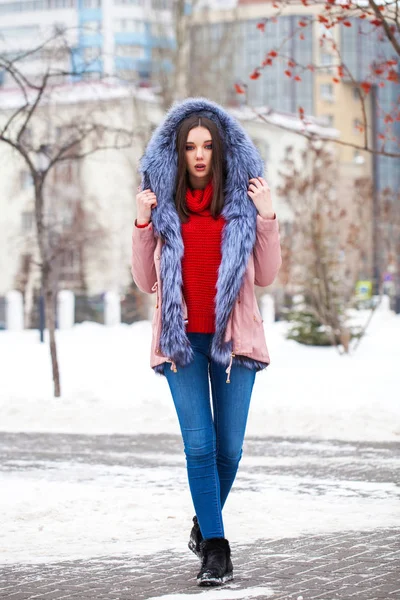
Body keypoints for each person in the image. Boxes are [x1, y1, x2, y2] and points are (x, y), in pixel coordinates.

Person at [131, 98, 282, 587]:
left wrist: (267, 217)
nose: (199, 155)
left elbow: (266, 274)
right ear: (177, 153)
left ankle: (203, 521)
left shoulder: (240, 205)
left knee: (229, 450)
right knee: (199, 447)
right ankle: (216, 550)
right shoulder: (163, 207)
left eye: (208, 146)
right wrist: (141, 224)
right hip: (181, 345)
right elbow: (145, 281)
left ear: (221, 151)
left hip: (233, 342)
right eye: (190, 146)